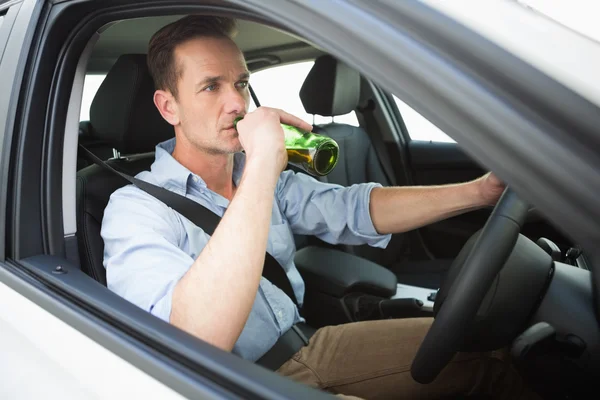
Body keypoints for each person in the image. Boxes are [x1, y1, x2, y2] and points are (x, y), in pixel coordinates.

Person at [101, 15, 539, 400]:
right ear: (168, 106)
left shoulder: (251, 175)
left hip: (308, 345)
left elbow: (354, 209)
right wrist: (262, 167)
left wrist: (479, 192)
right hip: (235, 383)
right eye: (211, 86)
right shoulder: (136, 210)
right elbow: (194, 339)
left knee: (493, 353)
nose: (236, 103)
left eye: (240, 83)